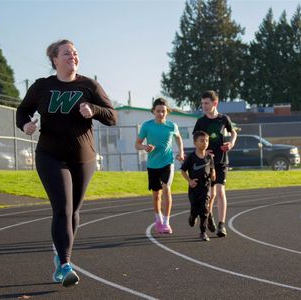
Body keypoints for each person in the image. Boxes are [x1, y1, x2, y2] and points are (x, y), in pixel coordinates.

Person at [16, 39, 117, 288]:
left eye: (75, 53)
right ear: (54, 59)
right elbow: (22, 111)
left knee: (73, 212)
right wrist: (25, 125)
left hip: (83, 158)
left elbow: (112, 117)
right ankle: (64, 264)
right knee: (62, 208)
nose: (72, 56)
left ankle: (61, 255)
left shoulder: (89, 85)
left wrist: (93, 109)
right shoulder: (42, 87)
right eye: (66, 53)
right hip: (50, 155)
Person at [135, 98, 184, 234]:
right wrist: (144, 147)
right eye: (158, 111)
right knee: (157, 194)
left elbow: (178, 138)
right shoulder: (147, 126)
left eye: (163, 111)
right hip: (152, 164)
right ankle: (158, 219)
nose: (161, 114)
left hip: (167, 162)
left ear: (167, 111)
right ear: (153, 111)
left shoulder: (172, 126)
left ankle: (167, 222)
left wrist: (181, 152)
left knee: (166, 189)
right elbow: (137, 144)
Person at [193, 90, 237, 237]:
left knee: (220, 192)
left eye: (206, 103)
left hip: (222, 160)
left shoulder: (224, 119)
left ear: (215, 103)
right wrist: (203, 152)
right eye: (202, 103)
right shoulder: (201, 122)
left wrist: (231, 143)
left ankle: (222, 224)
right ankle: (209, 215)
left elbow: (233, 133)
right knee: (210, 195)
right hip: (207, 163)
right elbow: (195, 141)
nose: (204, 106)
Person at [181, 131, 216, 241]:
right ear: (195, 143)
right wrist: (190, 181)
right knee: (195, 209)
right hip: (194, 189)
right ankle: (192, 216)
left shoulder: (210, 157)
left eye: (206, 141)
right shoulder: (191, 157)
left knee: (204, 209)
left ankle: (203, 232)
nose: (205, 143)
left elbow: (213, 172)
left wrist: (213, 175)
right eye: (202, 141)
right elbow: (183, 171)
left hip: (205, 188)